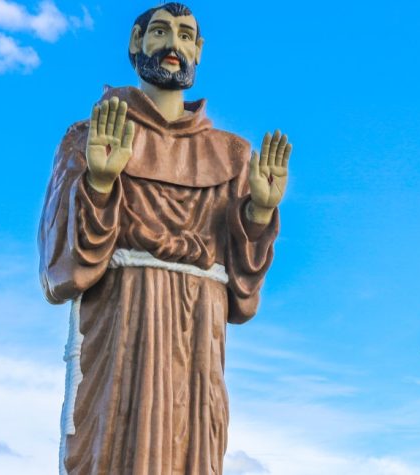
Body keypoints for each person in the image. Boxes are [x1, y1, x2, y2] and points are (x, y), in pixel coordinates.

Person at [38, 3, 291, 473]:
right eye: (160, 32)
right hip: (122, 318)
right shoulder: (92, 136)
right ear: (136, 44)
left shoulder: (232, 156)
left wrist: (258, 211)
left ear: (199, 50)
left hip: (199, 327)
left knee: (192, 446)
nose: (174, 45)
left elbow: (243, 290)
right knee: (116, 445)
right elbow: (63, 266)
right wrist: (98, 182)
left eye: (185, 36)